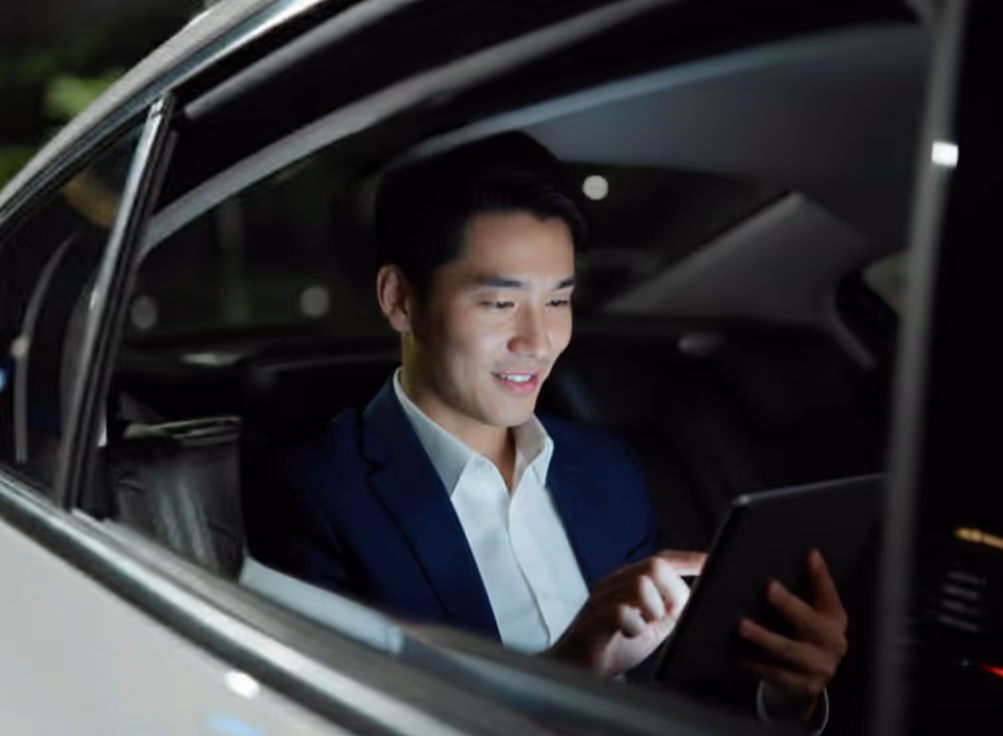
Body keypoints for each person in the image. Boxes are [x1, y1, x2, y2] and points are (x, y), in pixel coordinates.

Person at [244, 133, 847, 727]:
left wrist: (782, 697)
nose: (538, 342)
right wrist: (566, 673)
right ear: (400, 298)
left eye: (558, 302)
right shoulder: (313, 496)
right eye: (499, 304)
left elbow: (666, 694)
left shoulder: (607, 467)